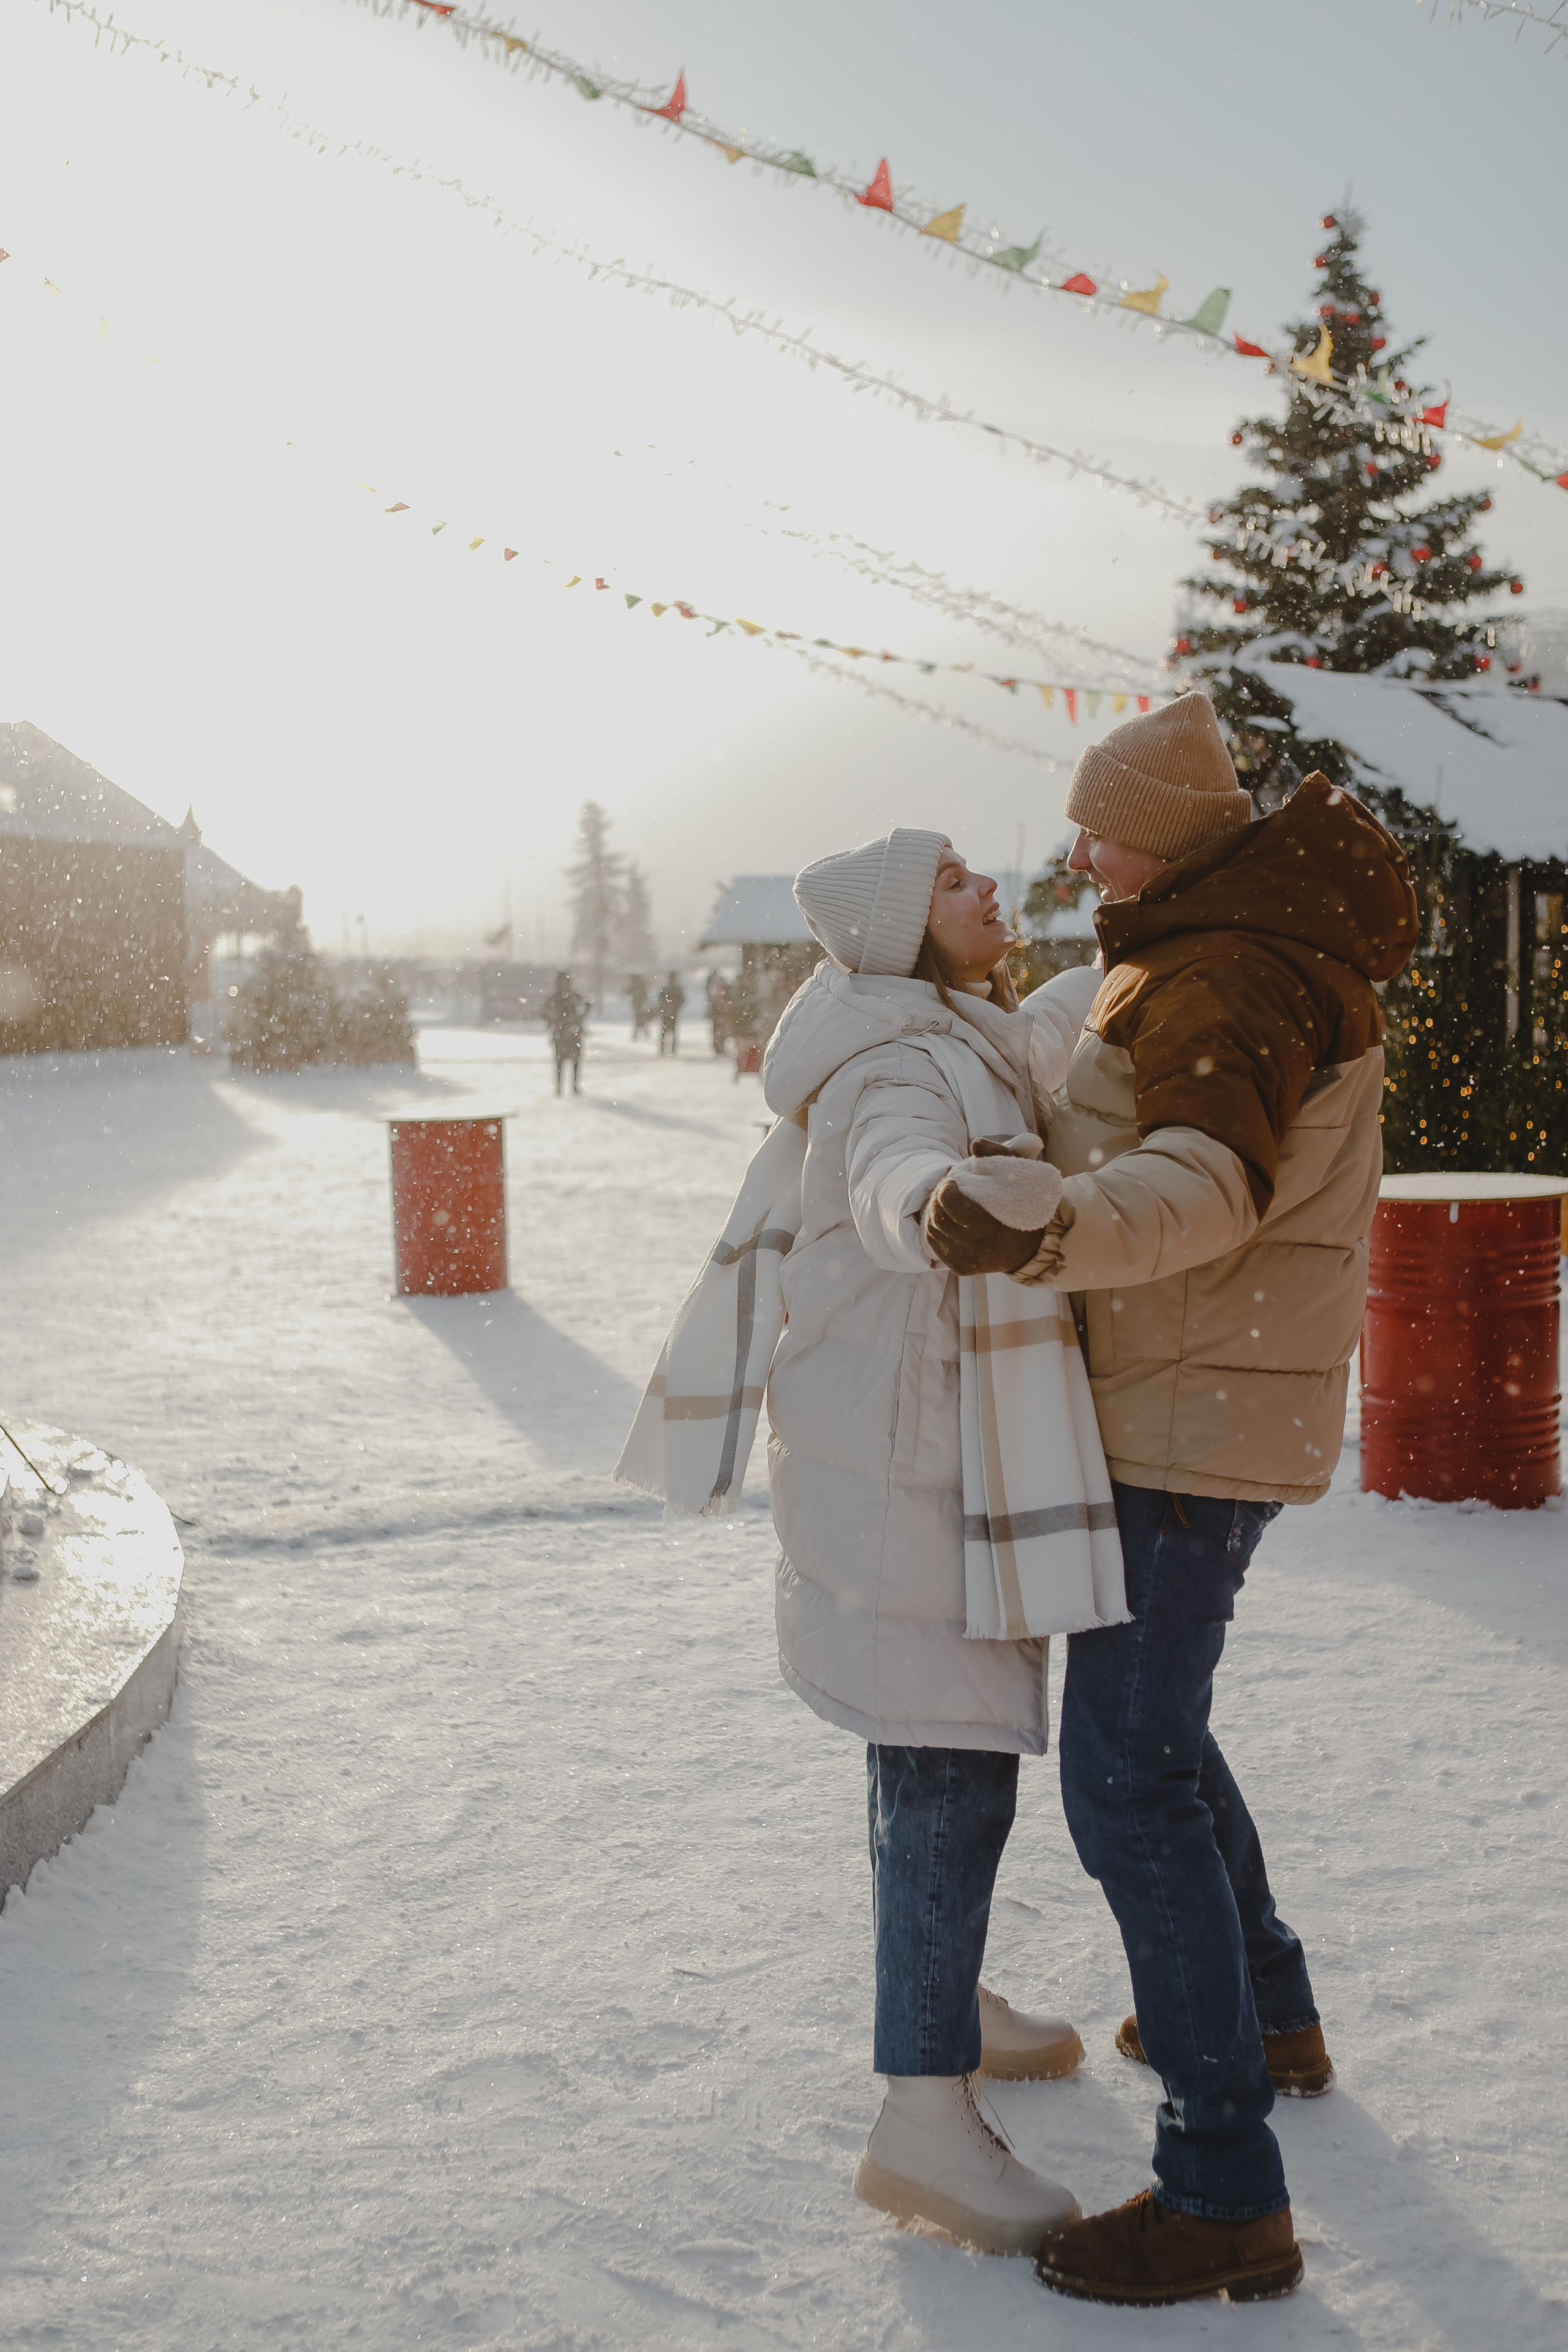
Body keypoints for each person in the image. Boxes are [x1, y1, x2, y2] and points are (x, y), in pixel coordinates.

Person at [925, 695, 1419, 2306]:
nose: (1079, 854)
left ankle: (1223, 2193)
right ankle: (1266, 2013)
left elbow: (1204, 1183)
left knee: (1122, 1783)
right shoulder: (1230, 937)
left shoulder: (1230, 969)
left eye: (1103, 826)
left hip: (1188, 1425)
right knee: (1167, 1732)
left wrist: (1041, 1223)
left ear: (1178, 831)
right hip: (1199, 1401)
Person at [760, 829, 1128, 2255]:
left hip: (903, 1457)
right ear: (899, 929)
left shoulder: (943, 1021)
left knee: (919, 1764)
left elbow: (1032, 1036)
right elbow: (887, 1166)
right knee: (944, 1783)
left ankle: (946, 1989)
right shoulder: (891, 1064)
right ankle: (919, 2117)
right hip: (900, 1471)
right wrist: (935, 1204)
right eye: (955, 879)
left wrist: (1141, 948)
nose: (989, 888)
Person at [543, 970, 589, 1095]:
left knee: (575, 1061)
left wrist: (579, 1020)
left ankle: (574, 1085)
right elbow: (545, 1012)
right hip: (561, 1034)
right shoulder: (556, 998)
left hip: (573, 1034)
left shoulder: (574, 997)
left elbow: (586, 1006)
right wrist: (553, 1021)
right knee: (560, 1062)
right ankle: (559, 1087)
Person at [657, 970, 685, 1055]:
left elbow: (681, 1001)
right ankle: (663, 1050)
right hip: (668, 1013)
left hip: (673, 1013)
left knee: (672, 1033)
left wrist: (674, 1008)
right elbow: (661, 1000)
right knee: (665, 1032)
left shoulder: (676, 989)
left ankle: (672, 1050)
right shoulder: (667, 989)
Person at [628, 972, 652, 1041]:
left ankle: (637, 1035)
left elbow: (644, 995)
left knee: (640, 1020)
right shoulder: (638, 985)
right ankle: (638, 1034)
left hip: (639, 1005)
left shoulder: (638, 985)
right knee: (640, 1020)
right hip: (638, 1005)